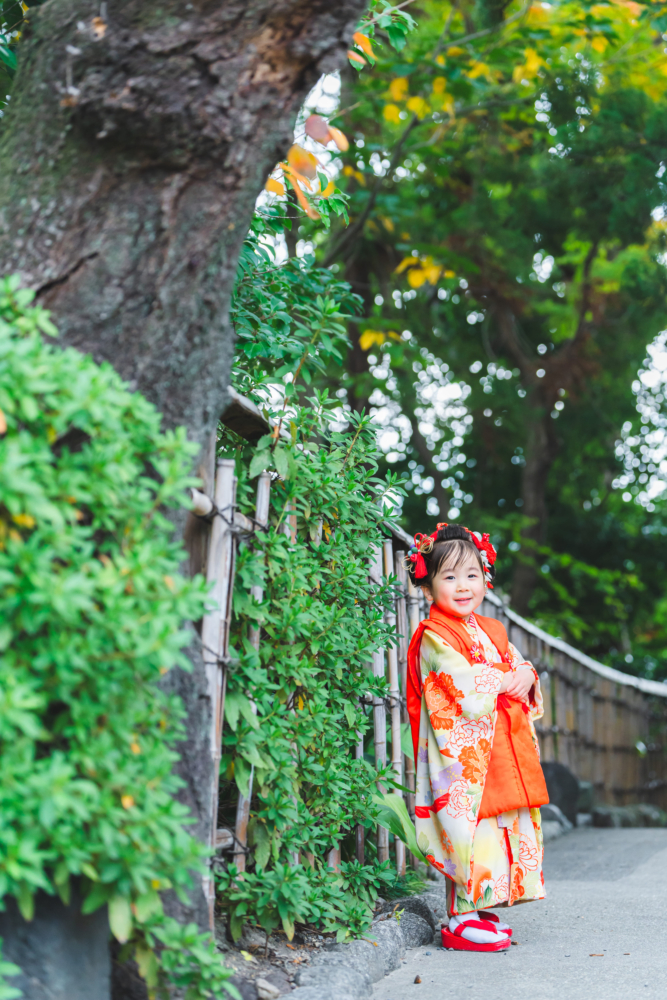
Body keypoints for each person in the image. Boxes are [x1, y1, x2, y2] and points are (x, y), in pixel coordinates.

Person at [406, 523, 549, 952]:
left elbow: (519, 668)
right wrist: (512, 677)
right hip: (462, 755)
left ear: (485, 579)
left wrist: (525, 673)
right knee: (467, 827)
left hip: (497, 745)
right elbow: (464, 685)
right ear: (429, 585)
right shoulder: (433, 635)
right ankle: (459, 918)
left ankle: (480, 904)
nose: (463, 586)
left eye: (472, 575)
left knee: (497, 825)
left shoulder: (492, 629)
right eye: (449, 577)